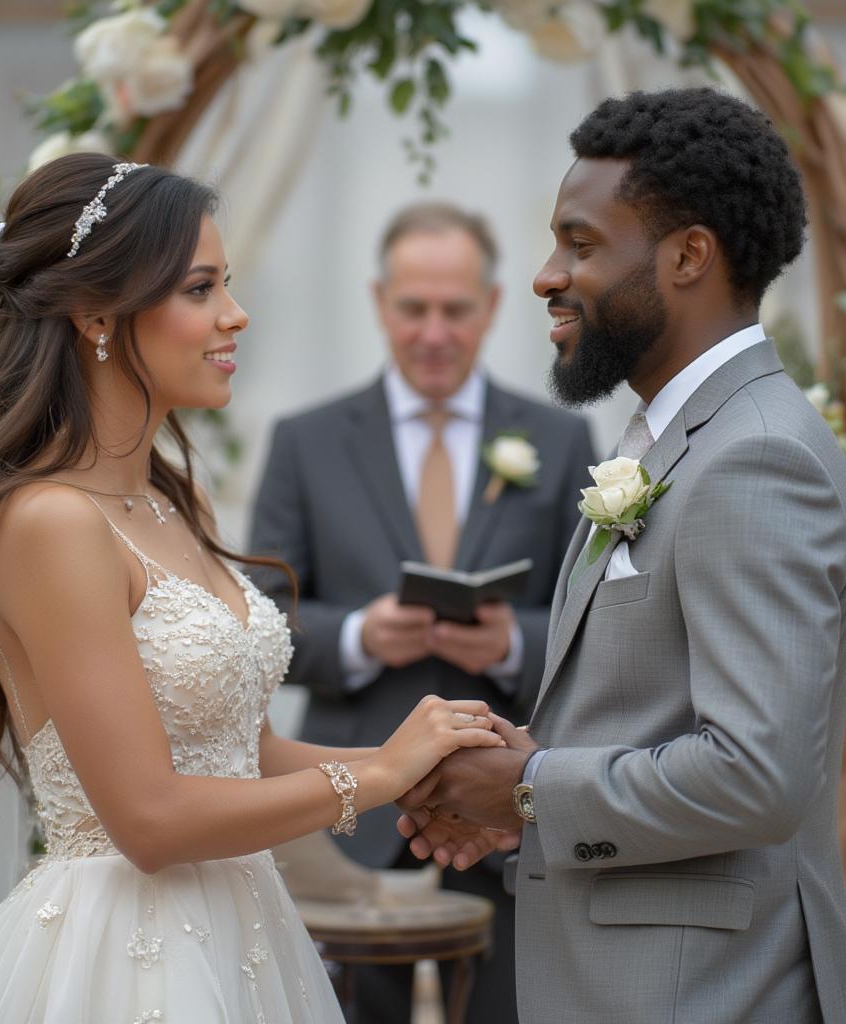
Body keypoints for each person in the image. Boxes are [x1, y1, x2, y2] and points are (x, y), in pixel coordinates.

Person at [0, 153, 510, 1024]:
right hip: (120, 956)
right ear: (99, 313)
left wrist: (421, 758)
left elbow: (240, 754)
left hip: (243, 934)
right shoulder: (50, 523)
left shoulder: (165, 500)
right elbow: (147, 819)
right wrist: (376, 775)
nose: (236, 314)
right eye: (200, 289)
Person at [397, 88, 846, 1024]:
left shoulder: (756, 458)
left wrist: (528, 788)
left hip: (704, 994)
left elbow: (754, 773)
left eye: (579, 244)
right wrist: (518, 789)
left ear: (688, 255)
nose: (545, 276)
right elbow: (653, 711)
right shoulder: (676, 435)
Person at [249, 202, 595, 1023]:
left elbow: (597, 618)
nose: (434, 332)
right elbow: (260, 620)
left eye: (455, 310)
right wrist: (357, 635)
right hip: (356, 809)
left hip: (510, 795)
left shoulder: (560, 435)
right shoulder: (307, 439)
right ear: (379, 302)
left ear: (491, 303)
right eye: (413, 308)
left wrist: (515, 643)